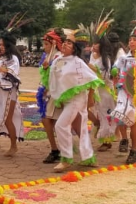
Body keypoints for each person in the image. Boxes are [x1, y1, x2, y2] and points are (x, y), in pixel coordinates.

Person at [48, 31, 104, 172]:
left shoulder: (78, 62)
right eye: (65, 42)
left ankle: (66, 159)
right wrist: (58, 98)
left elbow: (92, 79)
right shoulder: (57, 60)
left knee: (60, 125)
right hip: (66, 100)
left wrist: (90, 98)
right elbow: (55, 81)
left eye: (69, 43)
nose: (66, 44)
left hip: (77, 99)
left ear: (74, 48)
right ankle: (88, 158)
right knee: (81, 129)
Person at [112, 25, 136, 165]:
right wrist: (115, 74)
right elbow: (115, 68)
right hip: (123, 92)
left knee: (133, 120)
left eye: (134, 39)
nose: (131, 42)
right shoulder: (124, 58)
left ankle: (134, 149)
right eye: (130, 40)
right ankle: (124, 138)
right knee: (120, 116)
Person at [37, 28, 64, 163]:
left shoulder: (58, 57)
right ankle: (55, 149)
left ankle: (61, 150)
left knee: (56, 121)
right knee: (48, 119)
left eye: (46, 44)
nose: (44, 47)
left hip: (57, 94)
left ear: (54, 44)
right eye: (44, 44)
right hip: (48, 93)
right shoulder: (46, 57)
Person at [89, 32, 118, 151]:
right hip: (97, 91)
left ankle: (107, 141)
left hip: (106, 91)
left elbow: (105, 77)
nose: (94, 46)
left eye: (97, 44)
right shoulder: (93, 56)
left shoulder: (105, 59)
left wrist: (93, 68)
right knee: (101, 114)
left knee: (107, 115)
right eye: (94, 43)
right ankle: (104, 138)